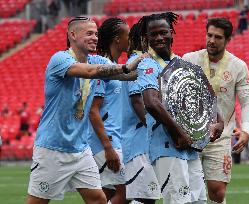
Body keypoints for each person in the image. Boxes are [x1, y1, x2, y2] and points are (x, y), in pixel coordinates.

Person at [26, 16, 146, 204]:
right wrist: (126, 66)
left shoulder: (96, 59)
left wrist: (151, 68)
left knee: (98, 200)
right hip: (53, 149)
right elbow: (91, 71)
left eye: (96, 34)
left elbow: (127, 75)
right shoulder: (60, 59)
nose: (95, 38)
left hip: (81, 150)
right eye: (89, 33)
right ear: (72, 35)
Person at [137, 12, 208, 204]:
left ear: (171, 33)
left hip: (190, 147)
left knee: (199, 201)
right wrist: (179, 132)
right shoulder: (148, 65)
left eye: (163, 32)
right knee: (179, 201)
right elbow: (152, 103)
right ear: (146, 38)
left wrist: (214, 123)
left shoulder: (182, 64)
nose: (159, 37)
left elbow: (201, 100)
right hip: (167, 145)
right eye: (153, 34)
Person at [183, 17, 249, 204]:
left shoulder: (238, 66)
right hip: (191, 136)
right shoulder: (189, 60)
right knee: (190, 191)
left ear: (228, 40)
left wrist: (246, 130)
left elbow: (246, 102)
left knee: (217, 191)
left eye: (218, 37)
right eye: (209, 35)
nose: (212, 40)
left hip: (221, 138)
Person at [88, 17, 130, 204]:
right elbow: (93, 110)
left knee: (106, 196)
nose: (131, 39)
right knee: (127, 193)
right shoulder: (102, 68)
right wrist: (108, 147)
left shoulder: (116, 68)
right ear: (117, 39)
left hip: (115, 139)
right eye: (127, 35)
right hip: (106, 142)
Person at [121, 22, 161, 204]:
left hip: (136, 141)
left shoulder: (134, 62)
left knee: (143, 197)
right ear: (144, 39)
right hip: (139, 141)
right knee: (146, 198)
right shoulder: (140, 63)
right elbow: (137, 100)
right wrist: (154, 126)